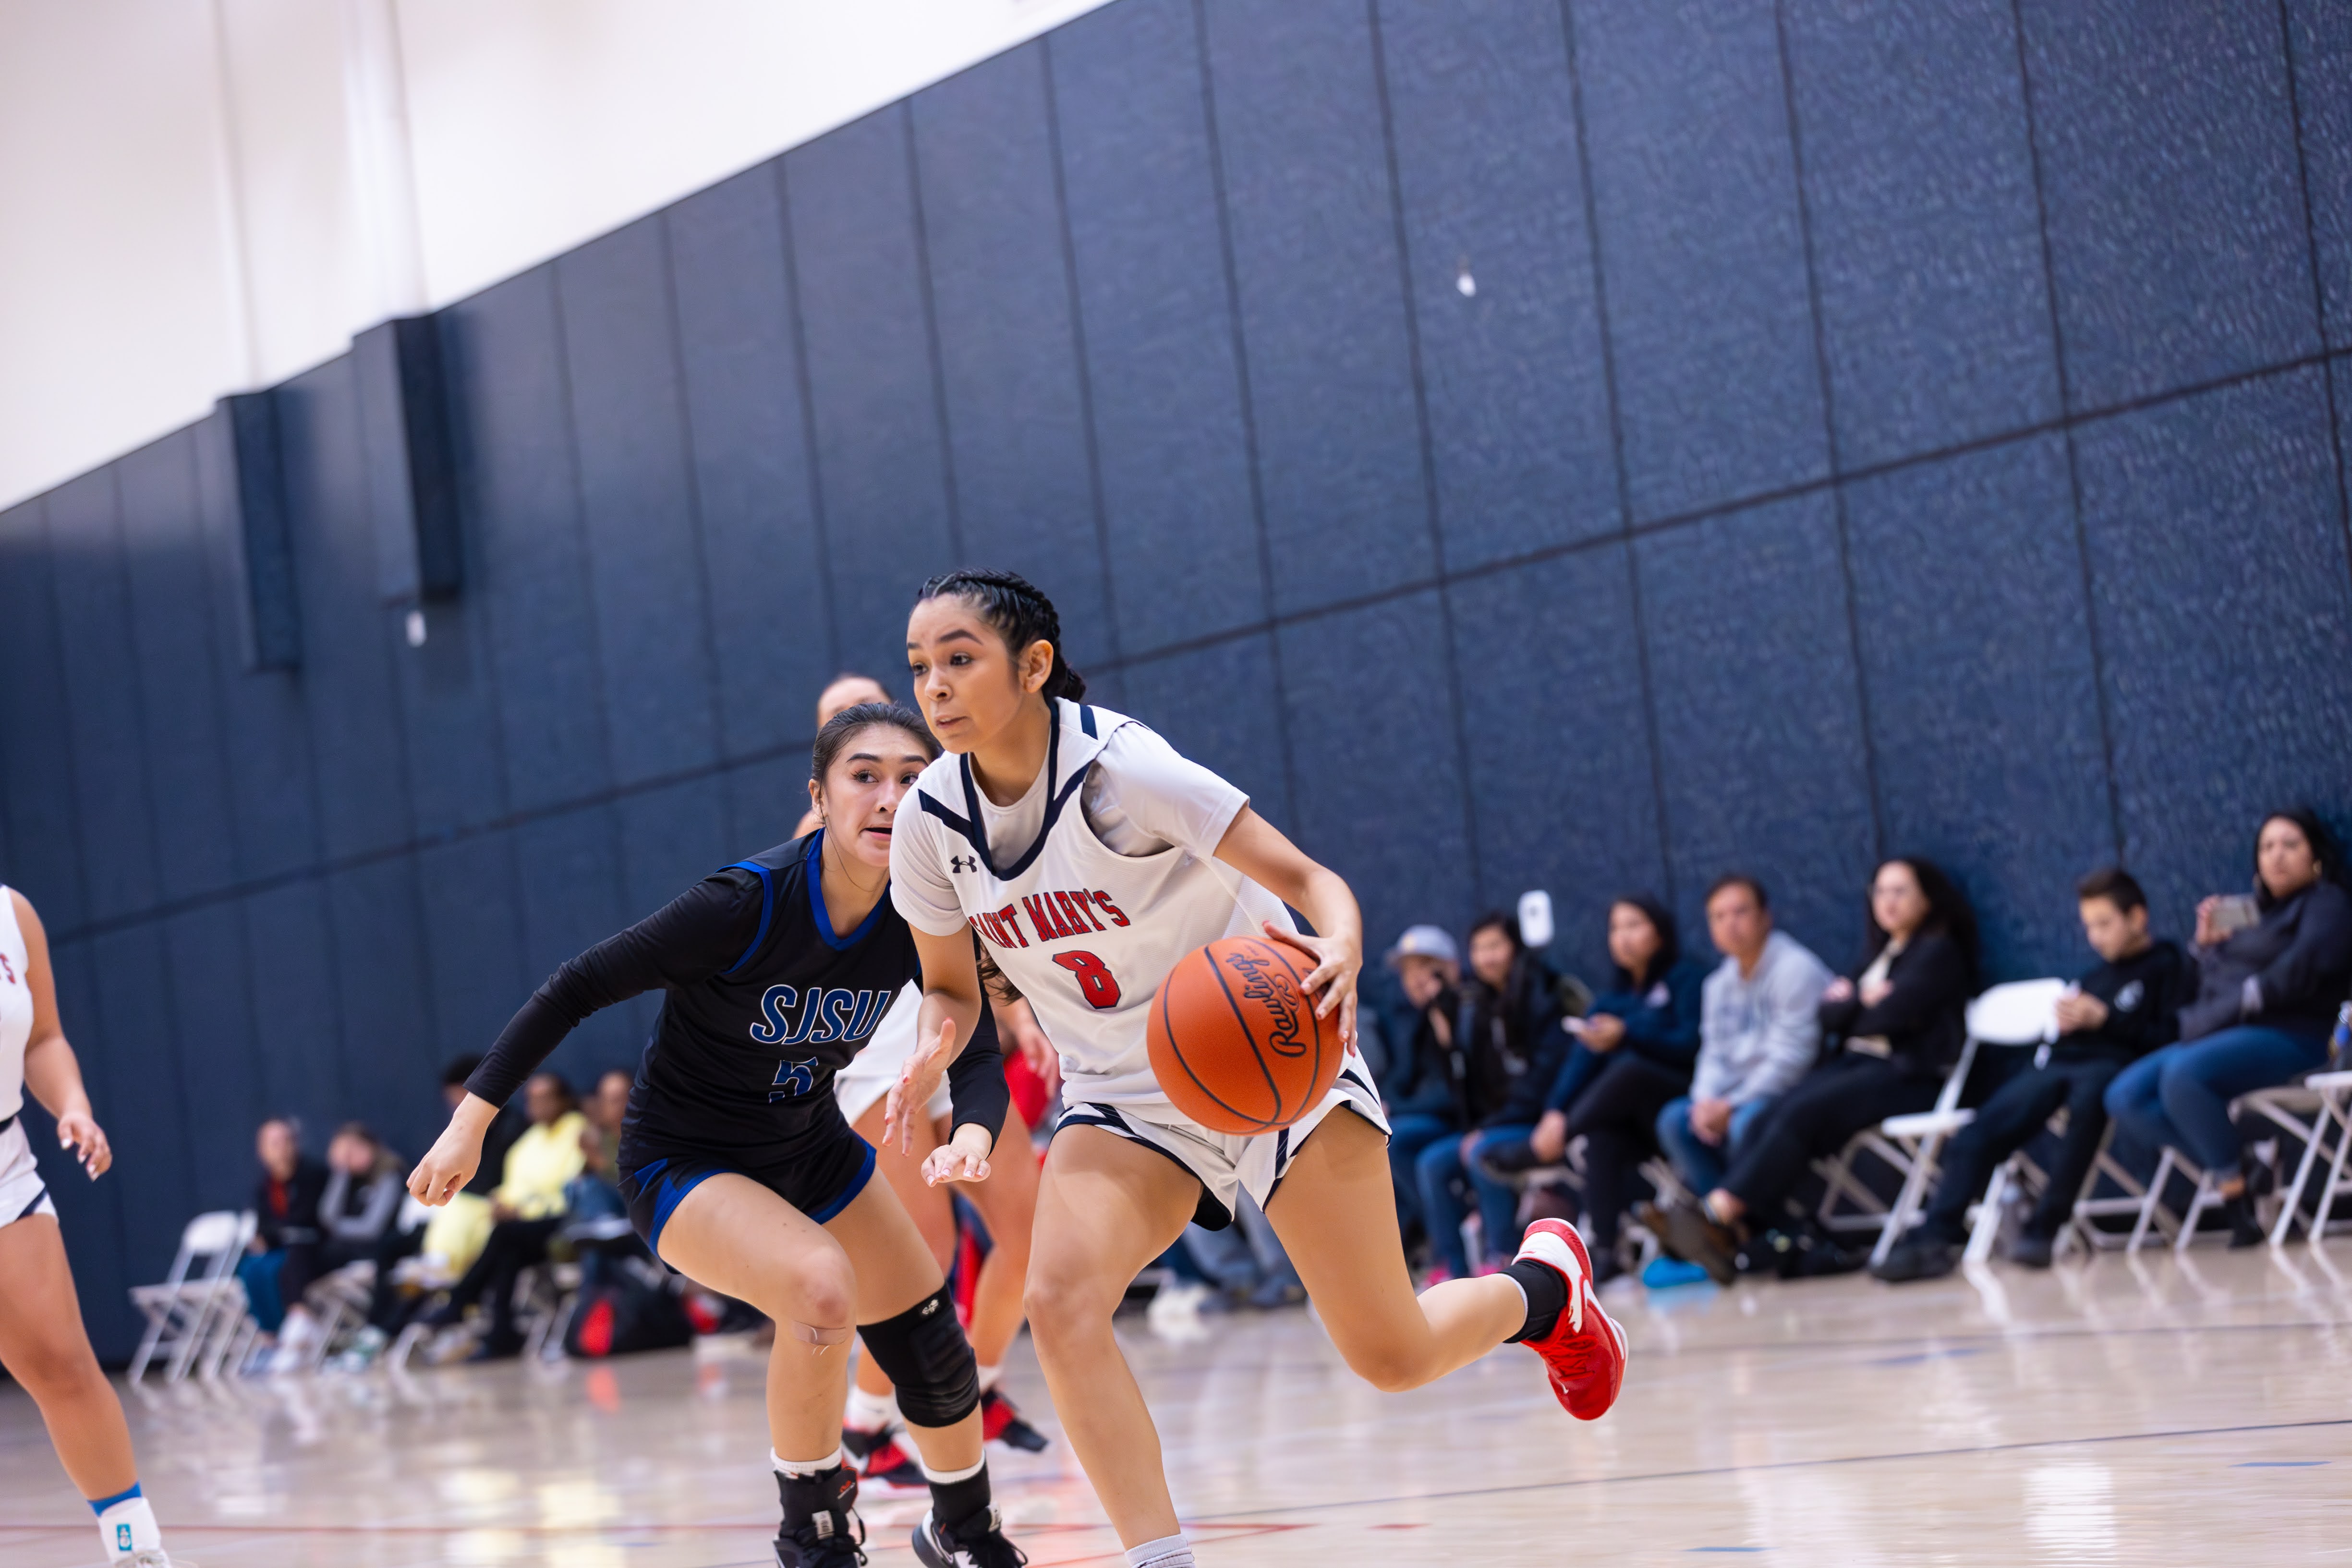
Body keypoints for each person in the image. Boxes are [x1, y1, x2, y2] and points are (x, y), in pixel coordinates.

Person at [889, 569, 1626, 1568]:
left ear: (1034, 666)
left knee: (1391, 1355)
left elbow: (1313, 882)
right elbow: (951, 986)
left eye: (959, 660)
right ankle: (1163, 1559)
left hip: (1273, 1056)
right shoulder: (931, 823)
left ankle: (1543, 1290)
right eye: (920, 667)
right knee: (1060, 1304)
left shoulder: (1123, 772)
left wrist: (1344, 946)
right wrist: (937, 1036)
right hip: (1126, 1095)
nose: (934, 687)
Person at [408, 701, 1027, 1568]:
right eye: (865, 777)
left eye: (913, 780)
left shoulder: (924, 910)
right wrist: (470, 1123)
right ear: (818, 794)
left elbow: (976, 1047)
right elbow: (576, 985)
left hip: (807, 1149)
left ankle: (963, 1532)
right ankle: (811, 1534)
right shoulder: (743, 905)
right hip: (684, 1161)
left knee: (929, 1332)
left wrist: (973, 1132)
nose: (890, 797)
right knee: (819, 1290)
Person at [814, 677, 1049, 1490]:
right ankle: (861, 1427)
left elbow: (970, 930)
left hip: (946, 1036)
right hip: (874, 1064)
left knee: (1030, 1223)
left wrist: (1017, 1013)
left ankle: (977, 1389)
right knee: (925, 1254)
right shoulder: (826, 837)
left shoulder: (933, 811)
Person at [1661, 857, 1978, 1284]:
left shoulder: (1938, 952)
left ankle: (1719, 1213)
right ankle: (1771, 1234)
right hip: (1859, 1065)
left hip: (1910, 1074)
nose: (1889, 902)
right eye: (1881, 892)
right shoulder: (1878, 955)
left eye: (1900, 891)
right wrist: (1861, 1003)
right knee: (1773, 1114)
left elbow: (1888, 1016)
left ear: (1927, 899)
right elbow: (1828, 1016)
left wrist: (1856, 1005)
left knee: (1801, 1111)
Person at [1875, 867, 2191, 1281]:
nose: (2096, 935)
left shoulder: (2167, 964)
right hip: (2063, 1061)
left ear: (2137, 918)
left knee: (2087, 1106)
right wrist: (2067, 1026)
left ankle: (2045, 1225)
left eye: (2105, 924)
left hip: (2115, 1065)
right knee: (1980, 1128)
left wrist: (2106, 1020)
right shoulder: (2094, 974)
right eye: (2089, 926)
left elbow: (2170, 1036)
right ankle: (1937, 1234)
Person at [0, 884, 184, 1564]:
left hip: (3, 1161)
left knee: (64, 1365)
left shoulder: (12, 912)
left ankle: (135, 1550)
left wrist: (72, 1104)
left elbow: (43, 1037)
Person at [2104, 809, 2352, 1246]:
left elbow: (2298, 971)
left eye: (2290, 845)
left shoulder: (2326, 902)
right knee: (2125, 1095)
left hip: (2298, 1035)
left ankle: (2237, 1201)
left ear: (2315, 855)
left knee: (2183, 1074)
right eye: (2267, 846)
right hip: (2220, 1033)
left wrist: (2237, 1001)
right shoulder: (2246, 912)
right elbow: (2201, 987)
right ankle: (2242, 1162)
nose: (2277, 856)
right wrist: (2204, 948)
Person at [1509, 896, 1707, 1282]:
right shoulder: (1612, 998)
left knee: (1630, 1070)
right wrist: (1554, 1111)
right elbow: (1580, 1060)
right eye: (1616, 928)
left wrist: (1628, 1033)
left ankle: (1544, 1149)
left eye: (1634, 925)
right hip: (1632, 1124)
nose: (1624, 937)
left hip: (1681, 1105)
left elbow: (1690, 1043)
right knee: (1601, 1138)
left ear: (1660, 932)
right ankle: (1604, 1251)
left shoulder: (1688, 978)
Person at [1653, 875, 1830, 1199]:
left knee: (1745, 1124)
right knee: (1675, 1120)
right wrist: (1705, 1101)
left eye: (1740, 912)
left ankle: (1753, 1221)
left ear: (1765, 917)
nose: (1730, 924)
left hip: (1794, 1090)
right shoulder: (1717, 984)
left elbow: (1794, 1057)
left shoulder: (1795, 969)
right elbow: (1712, 1053)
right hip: (1735, 1095)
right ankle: (1730, 1229)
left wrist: (1732, 1104)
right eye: (1718, 917)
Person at [1416, 912, 1567, 1278]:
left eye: (1495, 946)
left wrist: (1487, 1129)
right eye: (1479, 949)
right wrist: (1446, 1036)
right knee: (1433, 1162)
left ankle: (1502, 1256)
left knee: (1482, 1153)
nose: (1487, 957)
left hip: (1537, 1118)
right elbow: (1467, 1083)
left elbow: (1542, 1076)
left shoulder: (1542, 992)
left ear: (1514, 948)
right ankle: (1451, 1265)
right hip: (1496, 1123)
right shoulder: (1473, 1004)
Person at [417, 1072, 587, 1360]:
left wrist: (521, 1210)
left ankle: (462, 1301)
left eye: (545, 1098)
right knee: (506, 1251)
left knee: (505, 1237)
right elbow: (513, 1186)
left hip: (564, 1219)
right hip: (523, 1225)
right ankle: (501, 1332)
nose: (537, 1105)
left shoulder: (578, 1132)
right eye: (532, 1099)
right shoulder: (528, 1140)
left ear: (563, 1100)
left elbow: (570, 1189)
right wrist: (502, 1203)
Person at [1376, 925, 1464, 1250]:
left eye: (1425, 966)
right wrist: (1382, 1105)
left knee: (1394, 1140)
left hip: (1460, 1119)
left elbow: (1455, 1092)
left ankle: (1445, 1242)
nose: (1415, 978)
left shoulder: (1465, 1009)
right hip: (1423, 1116)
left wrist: (1446, 1018)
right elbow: (1401, 1078)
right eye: (1407, 969)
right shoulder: (1408, 1017)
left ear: (1451, 968)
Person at [237, 1118, 329, 1343]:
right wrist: (269, 1236)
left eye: (286, 1140)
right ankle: (268, 1334)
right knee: (250, 1269)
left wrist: (274, 1234)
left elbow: (307, 1218)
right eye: (274, 1143)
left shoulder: (313, 1174)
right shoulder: (265, 1185)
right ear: (262, 1150)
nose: (282, 1148)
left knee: (277, 1269)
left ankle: (290, 1327)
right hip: (280, 1247)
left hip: (311, 1248)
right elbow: (264, 1224)